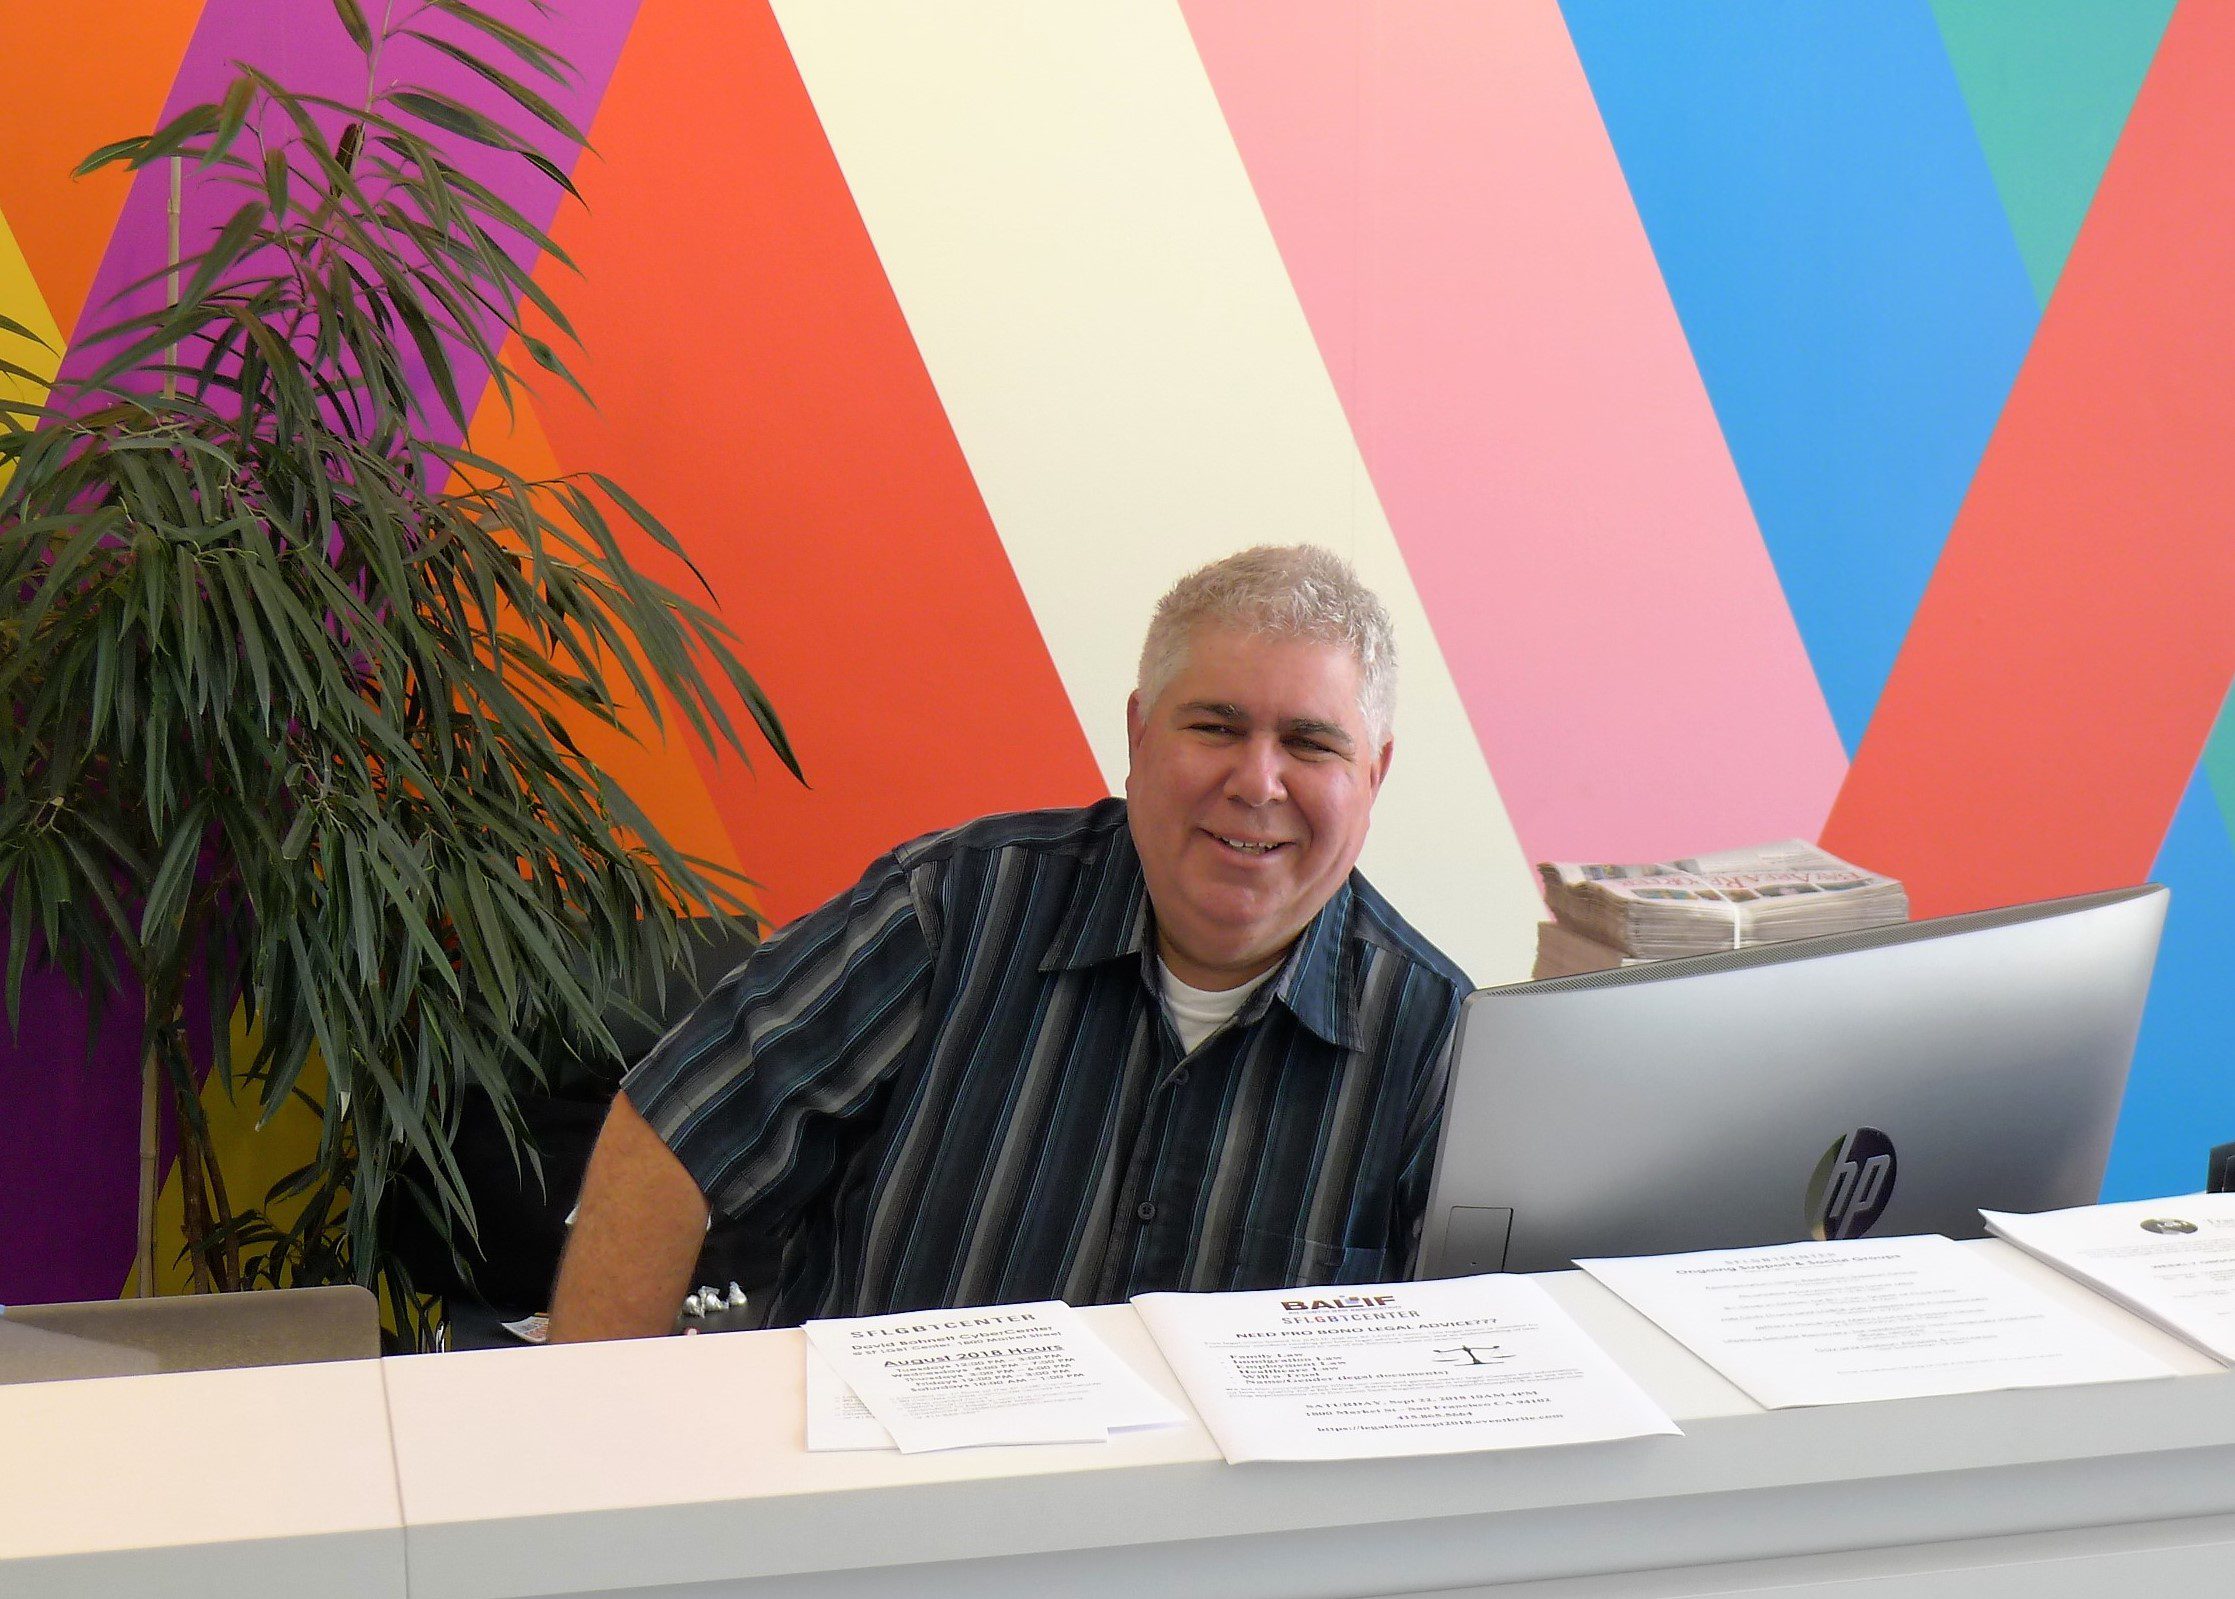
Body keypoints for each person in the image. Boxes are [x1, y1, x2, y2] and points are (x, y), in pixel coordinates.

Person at [547, 545, 1470, 1340]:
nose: (1256, 781)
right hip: (885, 1512)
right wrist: (593, 1454)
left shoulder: (1439, 1041)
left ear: (1374, 772)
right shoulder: (952, 909)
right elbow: (673, 1133)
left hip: (1222, 1543)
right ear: (1140, 733)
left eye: (1310, 744)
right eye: (1215, 726)